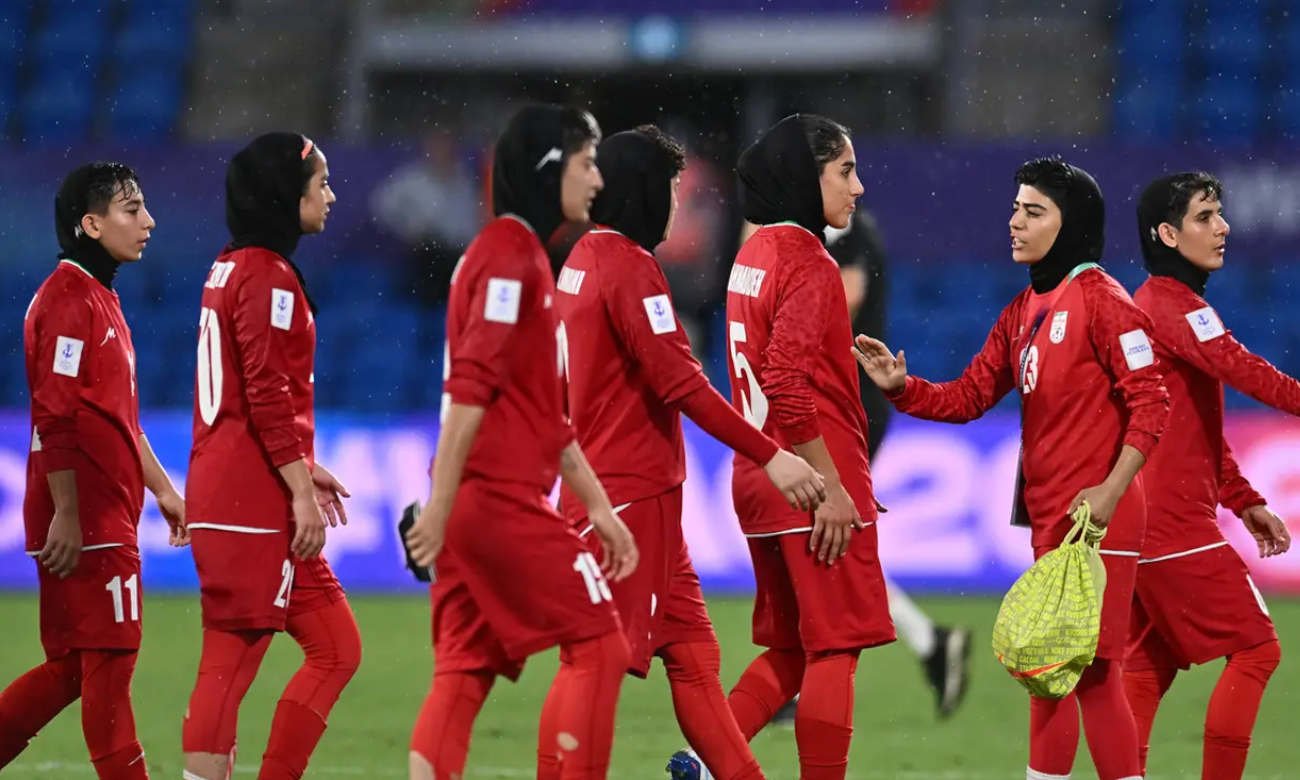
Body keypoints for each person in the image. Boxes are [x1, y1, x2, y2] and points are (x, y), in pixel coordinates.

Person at [855, 157, 1168, 780]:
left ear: (1069, 222)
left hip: (1099, 519)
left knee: (1091, 671)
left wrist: (1110, 491)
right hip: (1053, 518)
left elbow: (1152, 404)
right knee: (1049, 671)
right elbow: (968, 396)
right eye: (1015, 209)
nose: (1015, 222)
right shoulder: (1024, 309)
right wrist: (901, 387)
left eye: (1033, 211)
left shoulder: (1105, 301)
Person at [554, 125, 825, 780]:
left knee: (695, 656)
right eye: (672, 188)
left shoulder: (584, 257)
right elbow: (681, 383)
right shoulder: (629, 267)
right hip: (629, 496)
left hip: (623, 491)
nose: (677, 204)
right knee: (593, 662)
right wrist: (770, 454)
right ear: (645, 191)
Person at [403, 104, 639, 780]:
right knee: (600, 645)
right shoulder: (511, 258)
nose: (597, 180)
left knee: (463, 673)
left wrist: (598, 507)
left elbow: (546, 416)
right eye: (586, 163)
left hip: (476, 499)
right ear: (547, 168)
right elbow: (471, 387)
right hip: (497, 500)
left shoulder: (510, 253)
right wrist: (440, 506)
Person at [181, 133, 361, 780]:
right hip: (249, 500)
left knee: (337, 648)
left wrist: (302, 469)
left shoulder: (233, 265)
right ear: (288, 194)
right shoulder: (266, 275)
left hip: (246, 488)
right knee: (230, 661)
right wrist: (298, 489)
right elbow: (264, 392)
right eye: (321, 183)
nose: (331, 195)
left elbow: (248, 391)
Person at [722, 114, 896, 780]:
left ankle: (707, 759)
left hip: (758, 472)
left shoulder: (753, 254)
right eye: (844, 170)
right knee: (835, 648)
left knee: (793, 650)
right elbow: (787, 383)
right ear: (806, 175)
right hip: (808, 477)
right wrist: (833, 486)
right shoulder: (808, 260)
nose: (858, 186)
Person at [0, 162, 184, 780]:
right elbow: (55, 414)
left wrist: (163, 489)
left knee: (74, 669)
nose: (148, 221)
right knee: (110, 665)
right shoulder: (68, 301)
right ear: (92, 224)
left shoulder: (99, 297)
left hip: (102, 510)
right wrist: (69, 513)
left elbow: (119, 418)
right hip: (89, 517)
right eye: (132, 209)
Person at [767, 211, 973, 729]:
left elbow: (847, 296)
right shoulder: (834, 234)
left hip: (847, 406)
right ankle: (928, 642)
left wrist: (774, 304)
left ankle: (812, 677)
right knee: (826, 540)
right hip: (836, 404)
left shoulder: (847, 233)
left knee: (827, 538)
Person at [1127, 172, 1292, 780]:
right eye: (1205, 216)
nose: (1222, 228)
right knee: (1257, 649)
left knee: (1147, 665)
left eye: (1219, 214)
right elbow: (1246, 371)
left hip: (1145, 523)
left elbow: (1192, 426)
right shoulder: (1174, 307)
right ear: (1169, 234)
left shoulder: (1157, 304)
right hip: (1173, 526)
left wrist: (1243, 499)